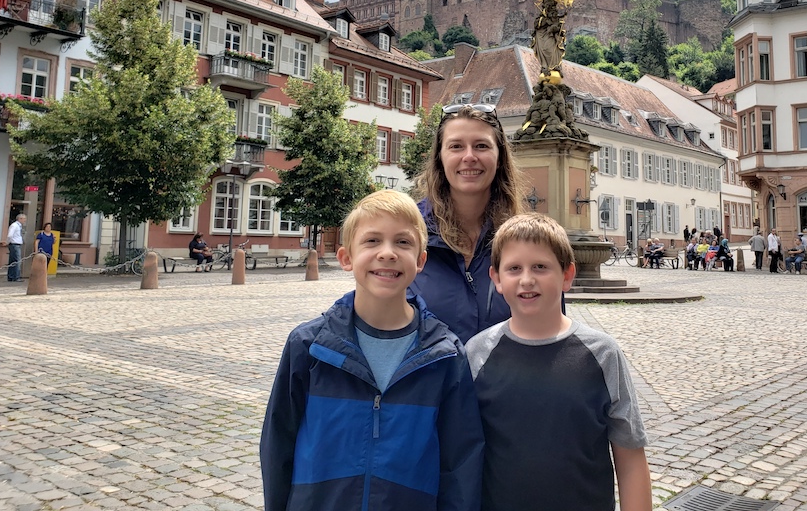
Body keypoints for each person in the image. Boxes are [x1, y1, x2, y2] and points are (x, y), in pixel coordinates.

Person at [260, 189, 482, 511]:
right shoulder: (309, 347)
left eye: (403, 242)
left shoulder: (445, 354)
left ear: (421, 260)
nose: (387, 253)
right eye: (372, 241)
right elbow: (278, 446)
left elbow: (460, 462)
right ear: (346, 257)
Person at [465, 213, 651, 511]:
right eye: (514, 268)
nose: (527, 279)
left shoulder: (602, 354)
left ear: (567, 275)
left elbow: (629, 454)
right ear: (496, 279)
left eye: (540, 267)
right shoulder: (477, 353)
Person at [410, 103, 525, 344]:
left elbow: (552, 332)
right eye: (456, 146)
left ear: (500, 156)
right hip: (430, 381)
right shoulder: (408, 232)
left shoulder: (526, 240)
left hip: (505, 382)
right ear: (440, 157)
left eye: (481, 146)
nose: (469, 157)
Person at [7, 213, 26, 282]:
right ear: (20, 219)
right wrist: (9, 242)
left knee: (13, 261)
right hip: (14, 244)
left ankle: (11, 276)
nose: (25, 221)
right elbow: (10, 235)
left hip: (16, 244)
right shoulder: (14, 225)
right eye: (24, 219)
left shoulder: (19, 226)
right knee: (17, 261)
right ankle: (16, 276)